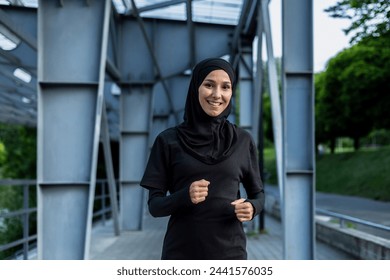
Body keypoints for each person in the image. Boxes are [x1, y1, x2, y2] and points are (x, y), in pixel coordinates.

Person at [140, 57, 264, 260]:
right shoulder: (168, 141)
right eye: (208, 85)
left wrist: (252, 207)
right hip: (181, 255)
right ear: (195, 87)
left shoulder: (243, 140)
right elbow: (154, 206)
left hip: (231, 255)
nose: (217, 94)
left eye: (225, 87)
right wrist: (184, 196)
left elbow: (258, 194)